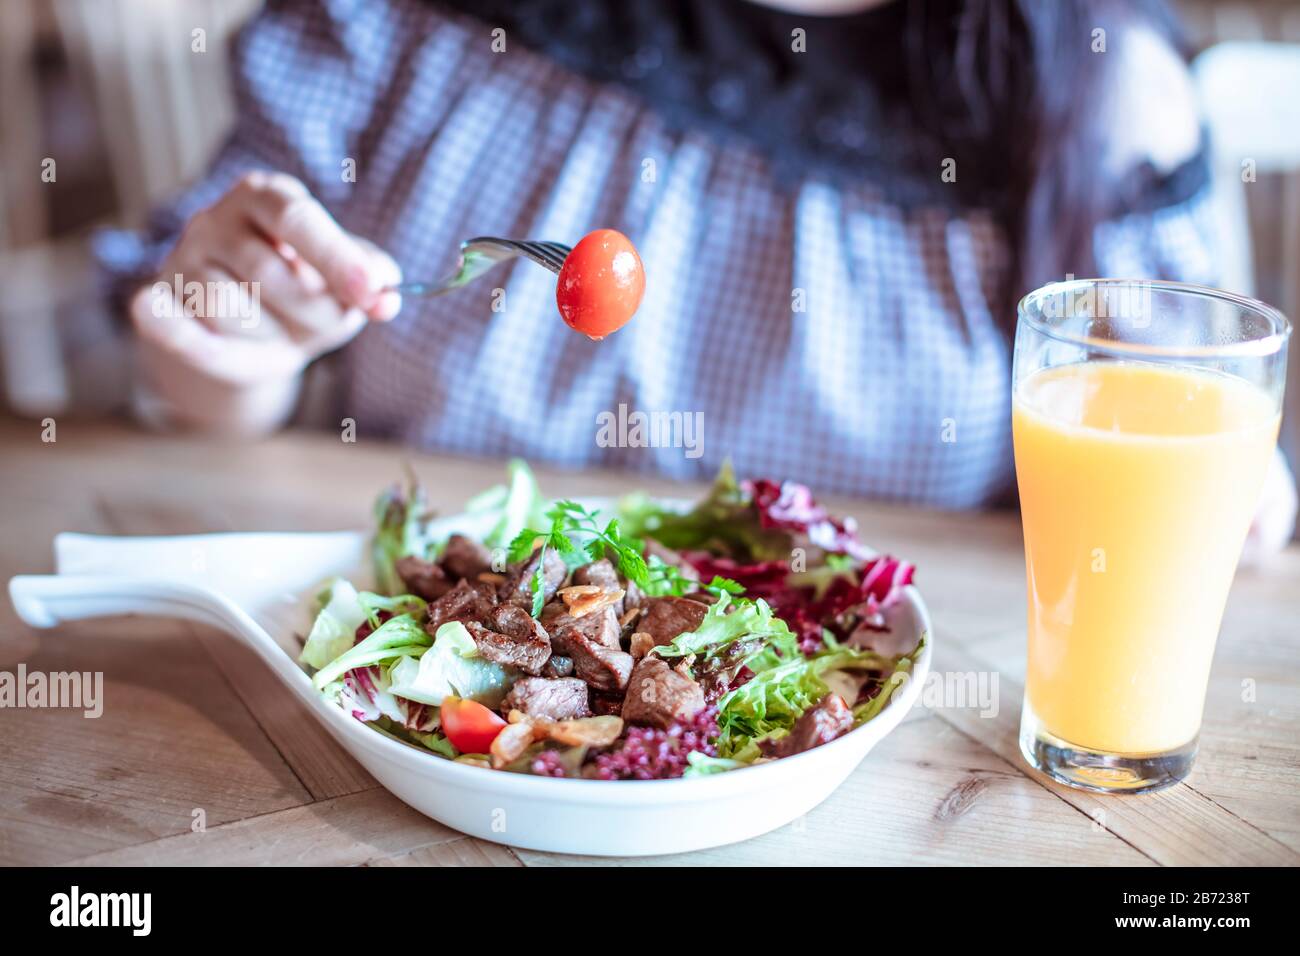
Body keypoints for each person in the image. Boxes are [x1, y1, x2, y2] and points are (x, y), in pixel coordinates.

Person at [94, 0, 1295, 553]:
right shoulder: (405, 25)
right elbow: (207, 367)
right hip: (416, 726)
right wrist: (229, 336)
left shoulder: (1096, 87)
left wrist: (1234, 510)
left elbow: (1173, 461)